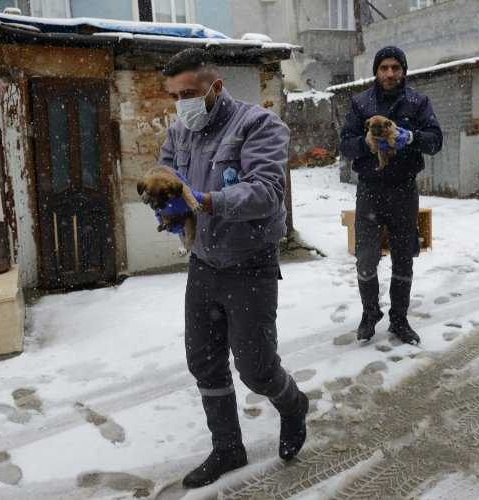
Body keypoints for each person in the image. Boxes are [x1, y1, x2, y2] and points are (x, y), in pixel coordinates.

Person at [155, 48, 308, 489]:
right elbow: (164, 178)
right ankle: (227, 447)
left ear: (216, 87)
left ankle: (293, 404)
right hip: (204, 263)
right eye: (174, 95)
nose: (182, 103)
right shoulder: (179, 132)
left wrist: (206, 202)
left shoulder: (259, 126)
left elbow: (266, 192)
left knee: (257, 368)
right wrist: (166, 208)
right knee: (204, 361)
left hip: (250, 264)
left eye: (190, 93)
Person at [340, 46, 443, 343]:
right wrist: (367, 145)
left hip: (403, 190)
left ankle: (399, 319)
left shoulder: (418, 103)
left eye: (395, 68)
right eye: (384, 67)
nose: (389, 73)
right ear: (376, 71)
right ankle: (370, 313)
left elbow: (436, 141)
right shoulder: (361, 103)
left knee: (403, 257)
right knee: (365, 257)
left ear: (403, 71)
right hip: (370, 190)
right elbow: (345, 145)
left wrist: (410, 137)